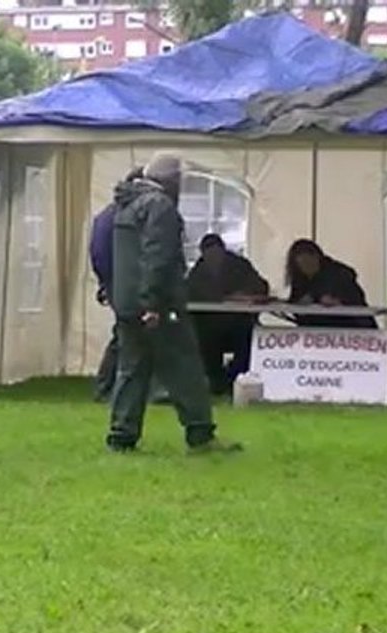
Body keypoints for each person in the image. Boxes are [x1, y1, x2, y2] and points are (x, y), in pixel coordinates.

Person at [107, 153, 241, 454]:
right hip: (158, 304)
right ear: (171, 181)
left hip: (127, 303)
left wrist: (132, 299)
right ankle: (200, 433)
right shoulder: (160, 206)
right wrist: (152, 302)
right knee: (185, 367)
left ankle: (121, 436)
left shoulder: (124, 205)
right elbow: (158, 255)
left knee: (131, 370)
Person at [89, 166, 168, 404]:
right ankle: (121, 388)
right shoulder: (128, 215)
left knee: (123, 335)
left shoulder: (107, 215)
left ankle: (107, 385)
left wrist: (105, 281)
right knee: (131, 338)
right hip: (129, 283)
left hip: (117, 283)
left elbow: (97, 252)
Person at [187, 233, 270, 394]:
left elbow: (261, 286)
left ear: (223, 250)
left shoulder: (240, 266)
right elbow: (191, 292)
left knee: (246, 337)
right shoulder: (199, 270)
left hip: (238, 322)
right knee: (204, 340)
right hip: (208, 325)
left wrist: (245, 295)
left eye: (217, 252)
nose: (213, 257)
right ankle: (216, 382)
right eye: (209, 253)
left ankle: (236, 379)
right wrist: (223, 298)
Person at [285, 238, 377, 329]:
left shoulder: (338, 274)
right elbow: (295, 303)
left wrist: (333, 300)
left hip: (353, 329)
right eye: (301, 265)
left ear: (317, 257)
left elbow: (354, 302)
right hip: (316, 330)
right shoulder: (300, 279)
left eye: (308, 262)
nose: (306, 268)